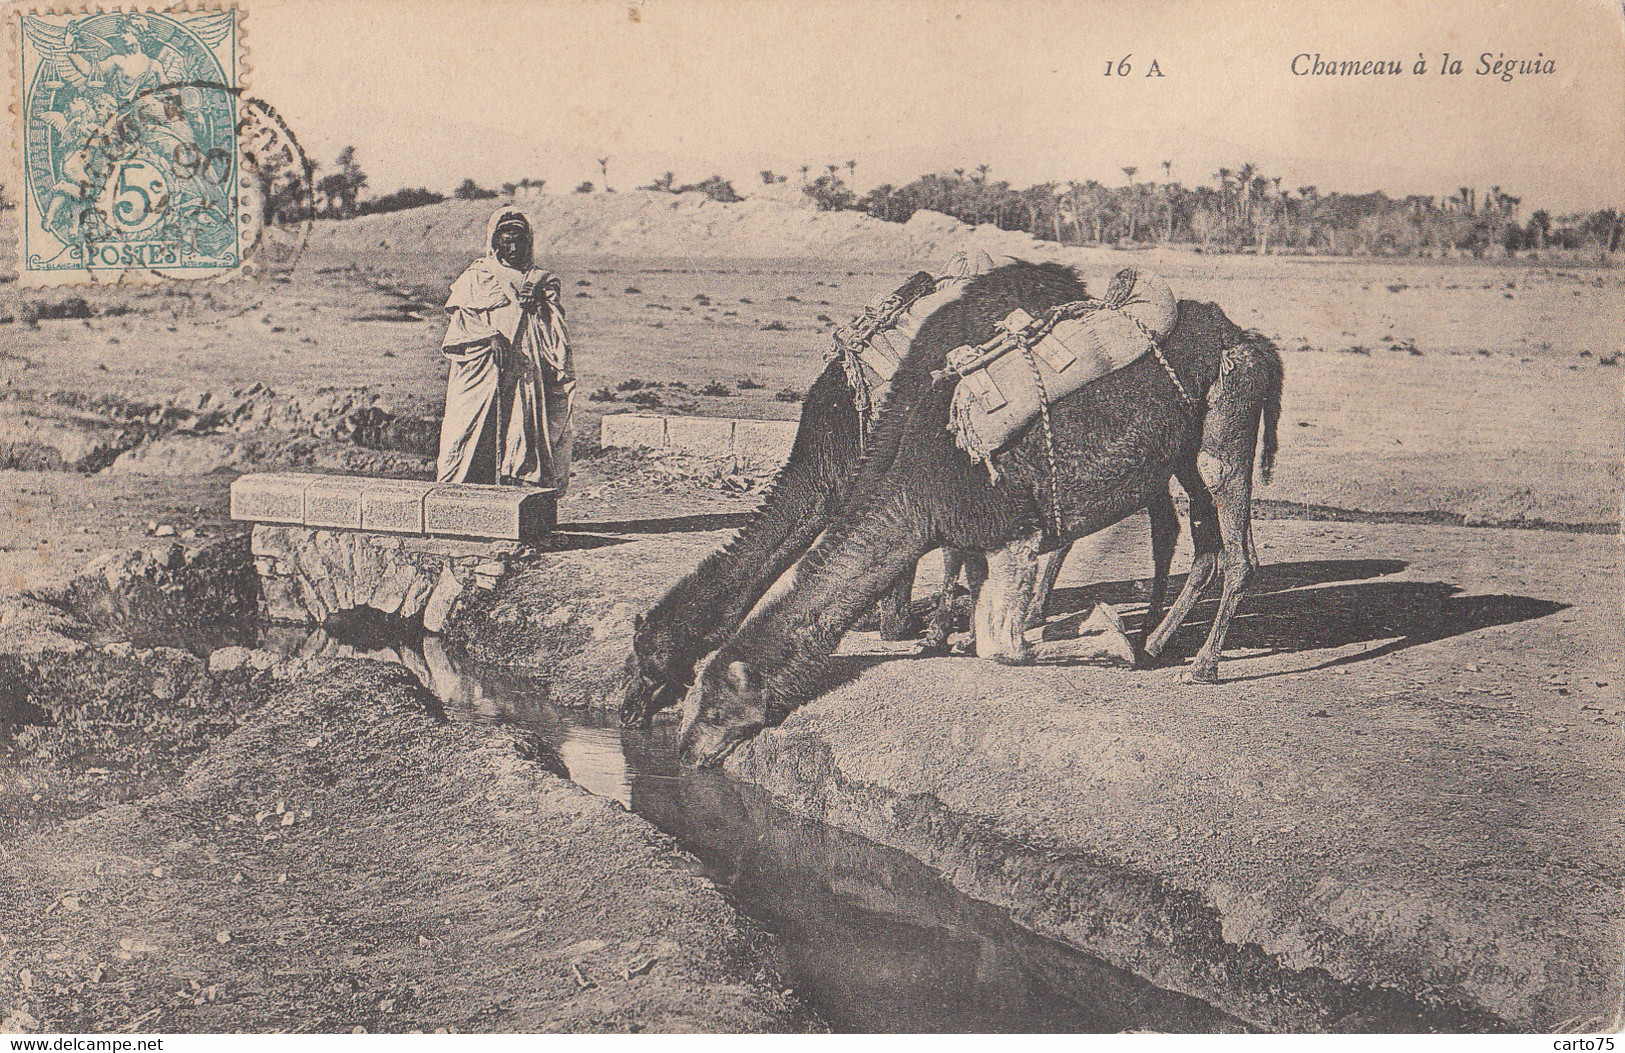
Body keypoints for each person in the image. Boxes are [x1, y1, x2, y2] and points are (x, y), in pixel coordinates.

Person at [436, 206, 575, 492]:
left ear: (528, 243)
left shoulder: (540, 280)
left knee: (521, 427)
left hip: (526, 362)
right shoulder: (479, 275)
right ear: (494, 241)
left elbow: (554, 329)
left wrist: (540, 302)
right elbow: (463, 318)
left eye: (519, 241)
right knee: (468, 428)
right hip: (485, 365)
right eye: (506, 241)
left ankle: (520, 495)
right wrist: (490, 338)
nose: (512, 248)